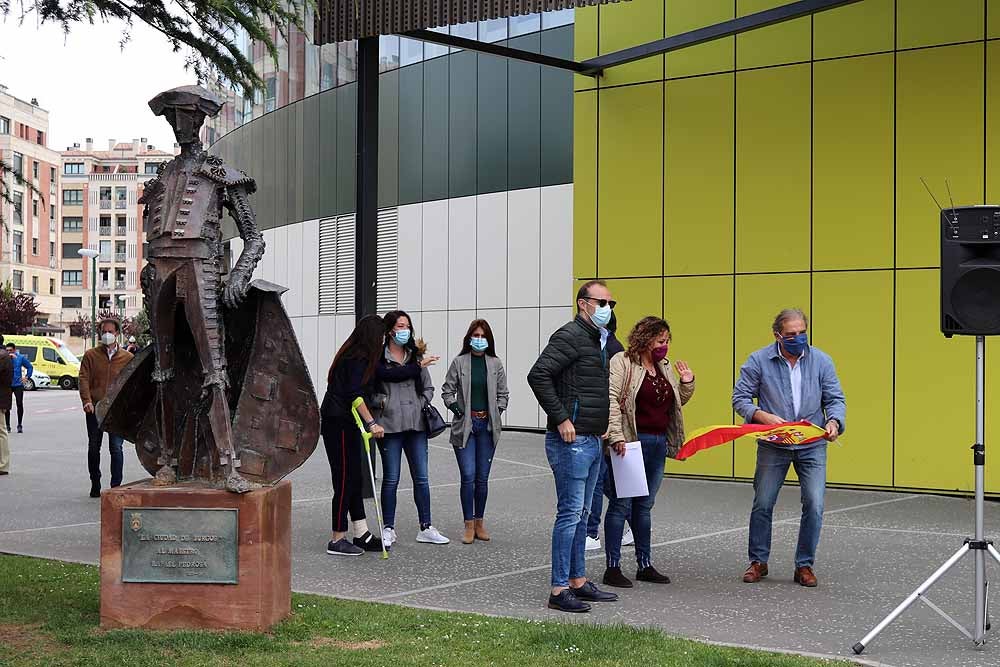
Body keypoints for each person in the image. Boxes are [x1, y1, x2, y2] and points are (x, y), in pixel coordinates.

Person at [732, 308, 846, 588]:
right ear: (777, 335)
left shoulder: (821, 361)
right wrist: (762, 416)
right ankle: (758, 561)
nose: (798, 338)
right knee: (763, 502)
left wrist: (834, 422)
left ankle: (804, 565)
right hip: (774, 443)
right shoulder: (759, 360)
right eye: (791, 334)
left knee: (815, 504)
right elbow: (740, 398)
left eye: (802, 333)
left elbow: (835, 399)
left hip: (812, 444)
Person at [528, 279, 620, 613]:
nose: (608, 309)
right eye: (603, 303)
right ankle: (558, 588)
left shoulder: (598, 339)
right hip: (572, 439)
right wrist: (562, 418)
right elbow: (538, 375)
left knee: (582, 515)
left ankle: (578, 581)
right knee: (570, 513)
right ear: (584, 303)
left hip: (593, 438)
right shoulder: (569, 336)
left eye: (612, 304)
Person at [320, 315, 435, 556]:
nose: (385, 338)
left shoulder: (366, 358)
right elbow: (354, 394)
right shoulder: (356, 358)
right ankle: (337, 538)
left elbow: (390, 375)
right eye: (382, 334)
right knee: (343, 480)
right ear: (373, 335)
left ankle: (360, 532)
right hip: (339, 422)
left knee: (354, 478)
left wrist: (419, 366)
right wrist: (372, 423)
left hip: (350, 423)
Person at [603, 316, 695, 588]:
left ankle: (644, 564)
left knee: (644, 506)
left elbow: (673, 402)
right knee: (622, 504)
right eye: (660, 341)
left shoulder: (663, 366)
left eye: (667, 341)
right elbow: (612, 399)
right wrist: (616, 436)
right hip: (631, 443)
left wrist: (687, 384)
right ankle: (613, 567)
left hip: (656, 444)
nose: (665, 346)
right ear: (645, 339)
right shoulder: (622, 361)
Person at [373, 310, 448, 547]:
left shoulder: (415, 356)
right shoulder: (379, 359)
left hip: (416, 425)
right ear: (389, 330)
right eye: (400, 326)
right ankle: (388, 528)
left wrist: (421, 403)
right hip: (390, 425)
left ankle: (426, 526)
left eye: (407, 326)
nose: (404, 330)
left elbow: (428, 387)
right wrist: (382, 403)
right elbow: (371, 391)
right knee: (391, 478)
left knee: (422, 478)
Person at [441, 319, 510, 544]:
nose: (478, 340)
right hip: (466, 426)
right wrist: (457, 410)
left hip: (487, 427)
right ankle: (468, 524)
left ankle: (480, 522)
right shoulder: (459, 362)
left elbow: (503, 394)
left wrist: (497, 410)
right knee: (468, 476)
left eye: (482, 336)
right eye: (475, 335)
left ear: (488, 340)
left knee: (482, 478)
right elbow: (447, 391)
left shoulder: (495, 363)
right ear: (469, 338)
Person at [585, 310, 632, 552]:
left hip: (605, 426)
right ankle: (633, 523)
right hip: (610, 425)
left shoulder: (610, 350)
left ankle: (591, 532)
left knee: (598, 481)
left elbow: (610, 393)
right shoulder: (615, 347)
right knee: (608, 482)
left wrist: (608, 427)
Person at [79, 318, 134, 497]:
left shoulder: (127, 357)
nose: (107, 335)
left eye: (110, 331)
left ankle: (115, 486)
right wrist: (86, 400)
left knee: (116, 448)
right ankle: (95, 482)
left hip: (116, 410)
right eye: (104, 331)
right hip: (95, 408)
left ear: (117, 333)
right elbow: (83, 378)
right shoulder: (91, 355)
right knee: (94, 447)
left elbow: (133, 384)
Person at [5, 342, 32, 434]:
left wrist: (27, 377)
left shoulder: (20, 358)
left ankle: (19, 424)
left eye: (10, 350)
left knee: (19, 404)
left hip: (18, 384)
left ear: (14, 350)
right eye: (7, 350)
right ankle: (7, 425)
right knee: (6, 406)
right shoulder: (4, 358)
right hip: (7, 384)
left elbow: (29, 367)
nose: (9, 352)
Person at [0, 336, 13, 476]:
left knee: (1, 431)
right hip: (3, 398)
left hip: (1, 399)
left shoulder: (2, 357)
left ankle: (3, 464)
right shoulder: (4, 355)